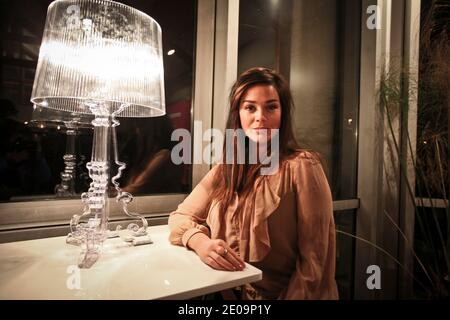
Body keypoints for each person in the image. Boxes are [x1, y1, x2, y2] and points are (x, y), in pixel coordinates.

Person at [168, 67, 339, 300]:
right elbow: (179, 216)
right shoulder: (225, 169)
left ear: (283, 113)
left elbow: (315, 261)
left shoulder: (303, 166)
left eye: (271, 106)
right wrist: (200, 242)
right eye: (250, 107)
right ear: (238, 114)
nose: (260, 117)